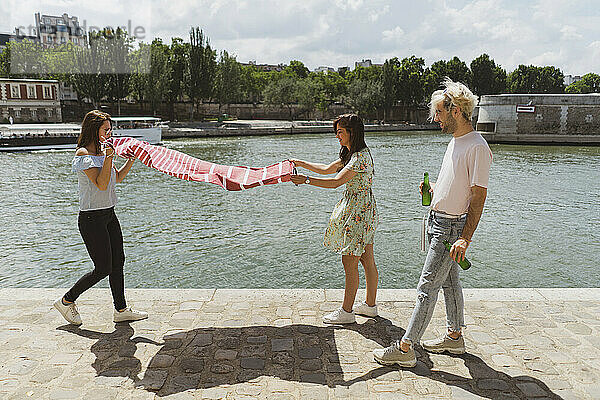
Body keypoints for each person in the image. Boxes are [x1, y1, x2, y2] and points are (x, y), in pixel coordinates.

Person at [373, 78, 493, 367]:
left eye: (439, 112)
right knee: (450, 284)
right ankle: (454, 337)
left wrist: (465, 237)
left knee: (426, 288)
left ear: (455, 111)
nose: (435, 118)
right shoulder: (457, 142)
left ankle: (405, 348)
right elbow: (459, 185)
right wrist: (435, 189)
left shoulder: (477, 147)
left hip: (451, 228)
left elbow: (478, 196)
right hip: (440, 222)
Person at [54, 110, 147, 325]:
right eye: (106, 129)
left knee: (118, 262)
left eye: (110, 129)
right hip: (91, 219)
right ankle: (67, 301)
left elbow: (116, 178)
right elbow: (101, 183)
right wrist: (108, 157)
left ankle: (121, 310)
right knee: (103, 267)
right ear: (94, 129)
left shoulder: (102, 152)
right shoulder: (83, 154)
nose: (110, 133)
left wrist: (130, 161)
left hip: (109, 214)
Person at [290, 113, 379, 324]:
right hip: (365, 210)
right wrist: (301, 163)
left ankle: (347, 312)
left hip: (358, 213)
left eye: (340, 132)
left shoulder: (358, 159)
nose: (337, 136)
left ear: (352, 132)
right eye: (336, 132)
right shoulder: (355, 154)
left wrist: (306, 181)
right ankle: (370, 306)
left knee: (349, 260)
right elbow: (328, 168)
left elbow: (335, 182)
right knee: (367, 260)